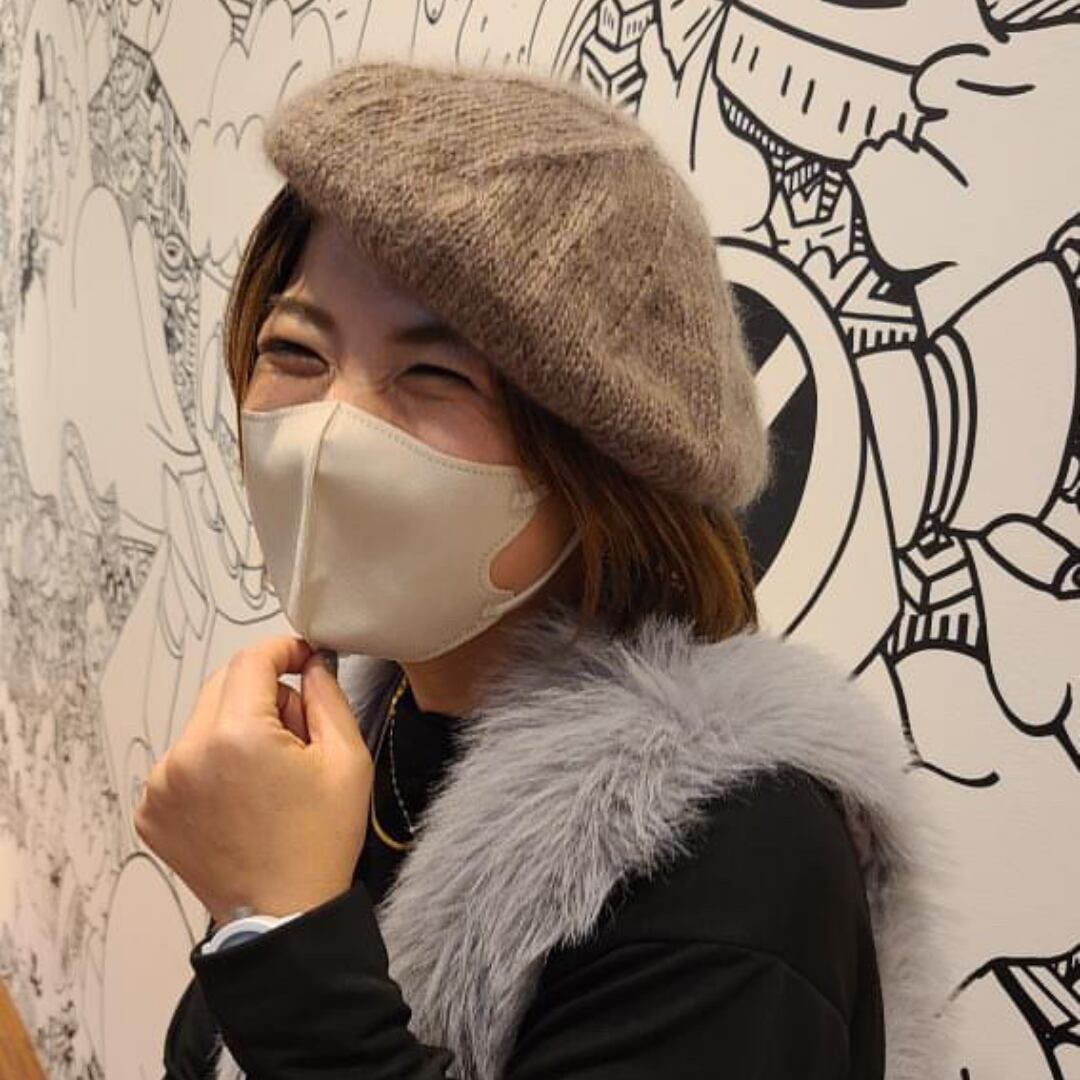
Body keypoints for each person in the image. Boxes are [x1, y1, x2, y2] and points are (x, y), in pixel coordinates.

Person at [141, 60, 951, 1080]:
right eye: (296, 351)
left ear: (599, 462)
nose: (325, 436)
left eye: (432, 374)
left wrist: (278, 928)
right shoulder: (372, 731)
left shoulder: (731, 852)